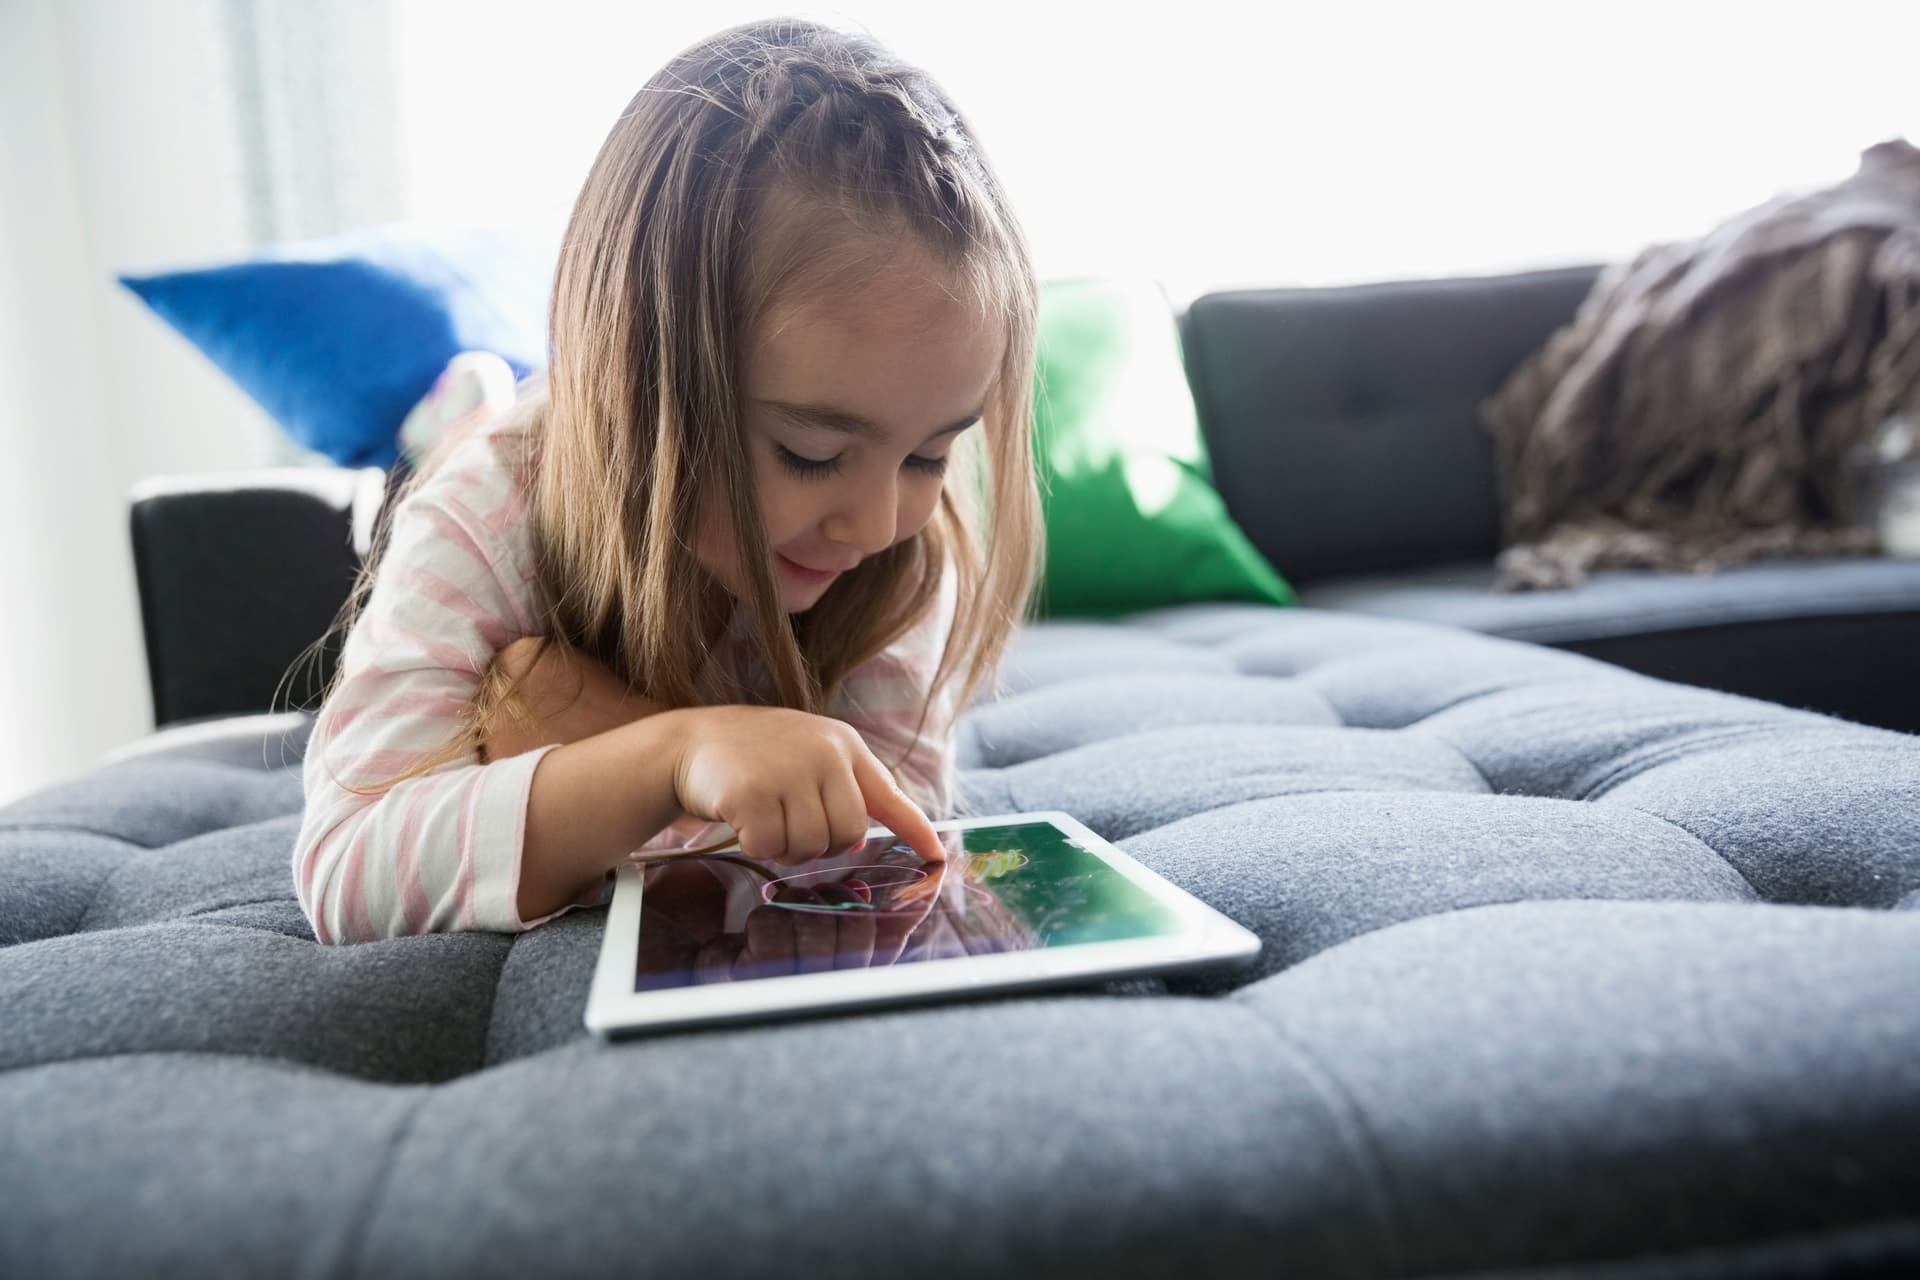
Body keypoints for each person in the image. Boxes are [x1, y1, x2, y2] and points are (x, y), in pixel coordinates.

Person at [291, 17, 1042, 944]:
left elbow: (884, 864)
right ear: (643, 384)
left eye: (931, 454)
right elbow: (348, 866)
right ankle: (462, 403)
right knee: (451, 455)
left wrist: (591, 733)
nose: (879, 520)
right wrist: (671, 755)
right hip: (519, 464)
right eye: (811, 452)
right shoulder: (486, 511)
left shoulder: (900, 559)